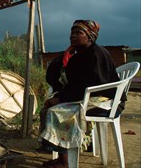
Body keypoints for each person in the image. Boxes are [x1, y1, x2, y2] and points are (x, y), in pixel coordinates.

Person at [39, 20, 121, 168]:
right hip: (86, 96)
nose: (73, 36)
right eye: (72, 33)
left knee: (58, 112)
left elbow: (93, 85)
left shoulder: (97, 54)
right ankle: (61, 156)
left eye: (79, 33)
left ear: (89, 36)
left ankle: (66, 162)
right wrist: (64, 55)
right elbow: (64, 80)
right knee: (47, 110)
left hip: (103, 99)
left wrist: (62, 99)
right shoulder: (77, 55)